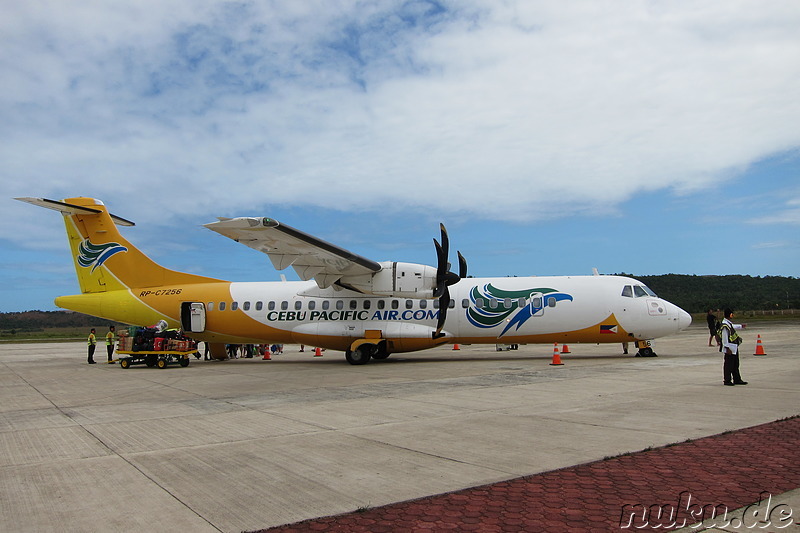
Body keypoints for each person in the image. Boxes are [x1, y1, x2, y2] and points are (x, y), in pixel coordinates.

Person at [720, 308, 747, 386]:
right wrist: (726, 348)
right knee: (728, 364)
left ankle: (737, 379)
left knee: (735, 364)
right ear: (729, 315)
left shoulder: (728, 323)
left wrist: (741, 326)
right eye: (732, 314)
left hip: (734, 346)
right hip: (730, 347)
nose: (733, 315)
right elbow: (724, 337)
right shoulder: (724, 325)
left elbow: (733, 326)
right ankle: (727, 380)